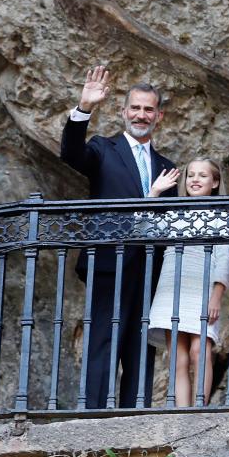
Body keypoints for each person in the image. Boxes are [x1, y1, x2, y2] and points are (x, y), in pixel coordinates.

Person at [60, 65, 180, 409]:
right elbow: (71, 154)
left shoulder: (166, 166)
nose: (141, 115)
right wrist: (84, 108)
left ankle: (135, 420)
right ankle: (94, 418)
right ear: (123, 111)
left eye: (148, 109)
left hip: (150, 269)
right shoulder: (102, 148)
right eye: (135, 108)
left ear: (159, 116)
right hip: (109, 260)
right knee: (103, 340)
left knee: (141, 345)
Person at [148, 159, 229, 406]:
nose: (195, 179)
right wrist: (154, 193)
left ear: (215, 182)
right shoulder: (175, 214)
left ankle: (198, 410)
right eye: (191, 175)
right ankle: (182, 413)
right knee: (178, 357)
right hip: (171, 289)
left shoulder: (219, 217)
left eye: (203, 175)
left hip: (202, 291)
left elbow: (224, 258)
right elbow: (144, 228)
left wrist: (217, 295)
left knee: (200, 352)